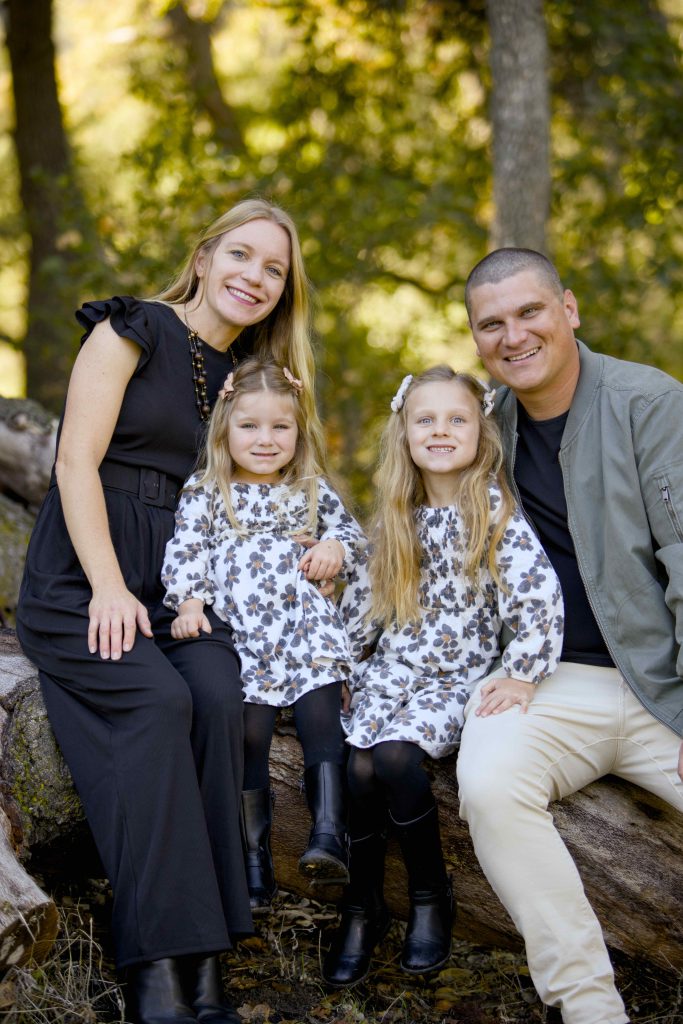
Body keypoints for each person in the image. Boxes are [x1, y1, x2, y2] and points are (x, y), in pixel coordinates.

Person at [15, 197, 323, 1024]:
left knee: (218, 698)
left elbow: (271, 490)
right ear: (204, 256)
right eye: (242, 254)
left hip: (184, 586)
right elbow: (74, 462)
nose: (254, 276)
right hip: (84, 575)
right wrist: (109, 586)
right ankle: (157, 960)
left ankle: (209, 961)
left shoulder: (251, 380)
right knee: (157, 701)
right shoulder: (131, 330)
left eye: (274, 269)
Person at [457, 247, 683, 1024]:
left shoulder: (646, 402)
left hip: (664, 681)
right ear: (476, 339)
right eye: (491, 324)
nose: (513, 335)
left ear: (569, 309)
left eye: (529, 312)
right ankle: (589, 1009)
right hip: (550, 683)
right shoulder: (482, 431)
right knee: (489, 786)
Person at [321, 365, 564, 988]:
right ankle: (362, 904)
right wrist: (344, 667)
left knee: (395, 758)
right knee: (357, 765)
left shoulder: (492, 510)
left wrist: (524, 672)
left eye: (457, 419)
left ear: (481, 431)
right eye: (425, 419)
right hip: (393, 669)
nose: (440, 430)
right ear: (404, 432)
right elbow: (368, 602)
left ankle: (431, 896)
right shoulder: (396, 514)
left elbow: (537, 594)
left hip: (457, 679)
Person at [161, 358, 366, 913]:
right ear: (225, 428)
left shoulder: (309, 489)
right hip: (245, 637)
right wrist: (190, 601)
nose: (265, 439)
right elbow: (186, 548)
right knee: (248, 733)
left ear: (299, 432)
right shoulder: (208, 490)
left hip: (307, 631)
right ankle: (254, 861)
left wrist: (334, 548)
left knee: (322, 714)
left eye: (280, 427)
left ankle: (329, 834)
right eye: (250, 426)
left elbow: (353, 538)